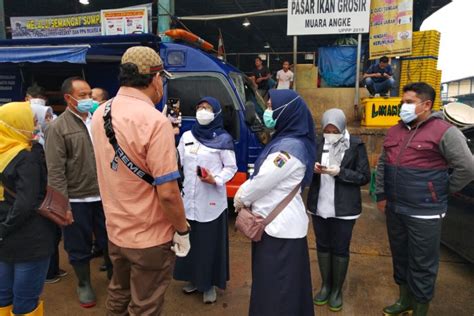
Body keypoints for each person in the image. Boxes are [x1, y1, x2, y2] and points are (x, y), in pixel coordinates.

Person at [91, 46, 190, 315]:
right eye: (163, 79)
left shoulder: (100, 113)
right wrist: (182, 230)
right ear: (154, 78)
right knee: (145, 305)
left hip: (116, 231)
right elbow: (168, 193)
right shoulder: (155, 121)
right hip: (150, 238)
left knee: (119, 294)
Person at [375, 82, 474, 316]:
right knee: (401, 256)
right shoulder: (395, 131)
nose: (403, 107)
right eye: (402, 102)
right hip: (396, 209)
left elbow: (468, 168)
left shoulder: (444, 132)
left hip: (425, 212)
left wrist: (441, 190)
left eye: (409, 103)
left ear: (426, 104)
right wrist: (381, 195)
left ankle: (420, 308)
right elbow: (382, 165)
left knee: (422, 264)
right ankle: (404, 301)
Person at [234, 89, 316, 316]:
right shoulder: (288, 141)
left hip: (279, 231)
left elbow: (262, 182)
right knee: (280, 287)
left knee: (277, 291)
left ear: (286, 112)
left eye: (271, 107)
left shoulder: (289, 150)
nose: (267, 111)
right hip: (277, 227)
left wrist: (240, 198)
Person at [44, 77, 109, 308]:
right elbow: (55, 171)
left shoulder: (100, 121)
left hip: (105, 196)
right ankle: (84, 283)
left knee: (110, 240)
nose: (88, 99)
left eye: (90, 94)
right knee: (77, 245)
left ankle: (115, 278)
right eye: (82, 96)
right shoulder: (57, 128)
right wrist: (63, 206)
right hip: (77, 198)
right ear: (68, 98)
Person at [174, 97, 237, 304]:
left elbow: (231, 168)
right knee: (191, 240)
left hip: (211, 202)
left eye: (208, 108)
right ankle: (193, 279)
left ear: (216, 113)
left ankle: (209, 284)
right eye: (200, 107)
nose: (203, 111)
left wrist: (215, 179)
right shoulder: (187, 136)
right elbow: (178, 161)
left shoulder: (223, 139)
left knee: (208, 244)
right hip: (189, 200)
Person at [306, 109, 370, 312]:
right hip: (320, 205)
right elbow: (305, 168)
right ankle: (325, 286)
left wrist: (340, 172)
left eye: (334, 130)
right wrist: (313, 169)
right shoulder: (317, 142)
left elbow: (364, 176)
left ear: (342, 128)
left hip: (344, 208)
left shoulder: (356, 144)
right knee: (323, 245)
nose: (330, 133)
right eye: (327, 129)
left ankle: (336, 290)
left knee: (340, 248)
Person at [0, 102, 56, 316]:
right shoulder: (27, 157)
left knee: (3, 295)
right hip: (29, 238)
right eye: (31, 122)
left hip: (3, 239)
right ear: (16, 124)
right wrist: (5, 229)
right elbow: (26, 203)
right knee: (25, 301)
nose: (35, 126)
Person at [29, 103, 68, 286]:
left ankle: (52, 269)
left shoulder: (42, 138)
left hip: (46, 194)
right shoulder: (32, 145)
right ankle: (48, 272)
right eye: (42, 118)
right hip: (39, 198)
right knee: (47, 235)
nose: (48, 121)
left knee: (53, 234)